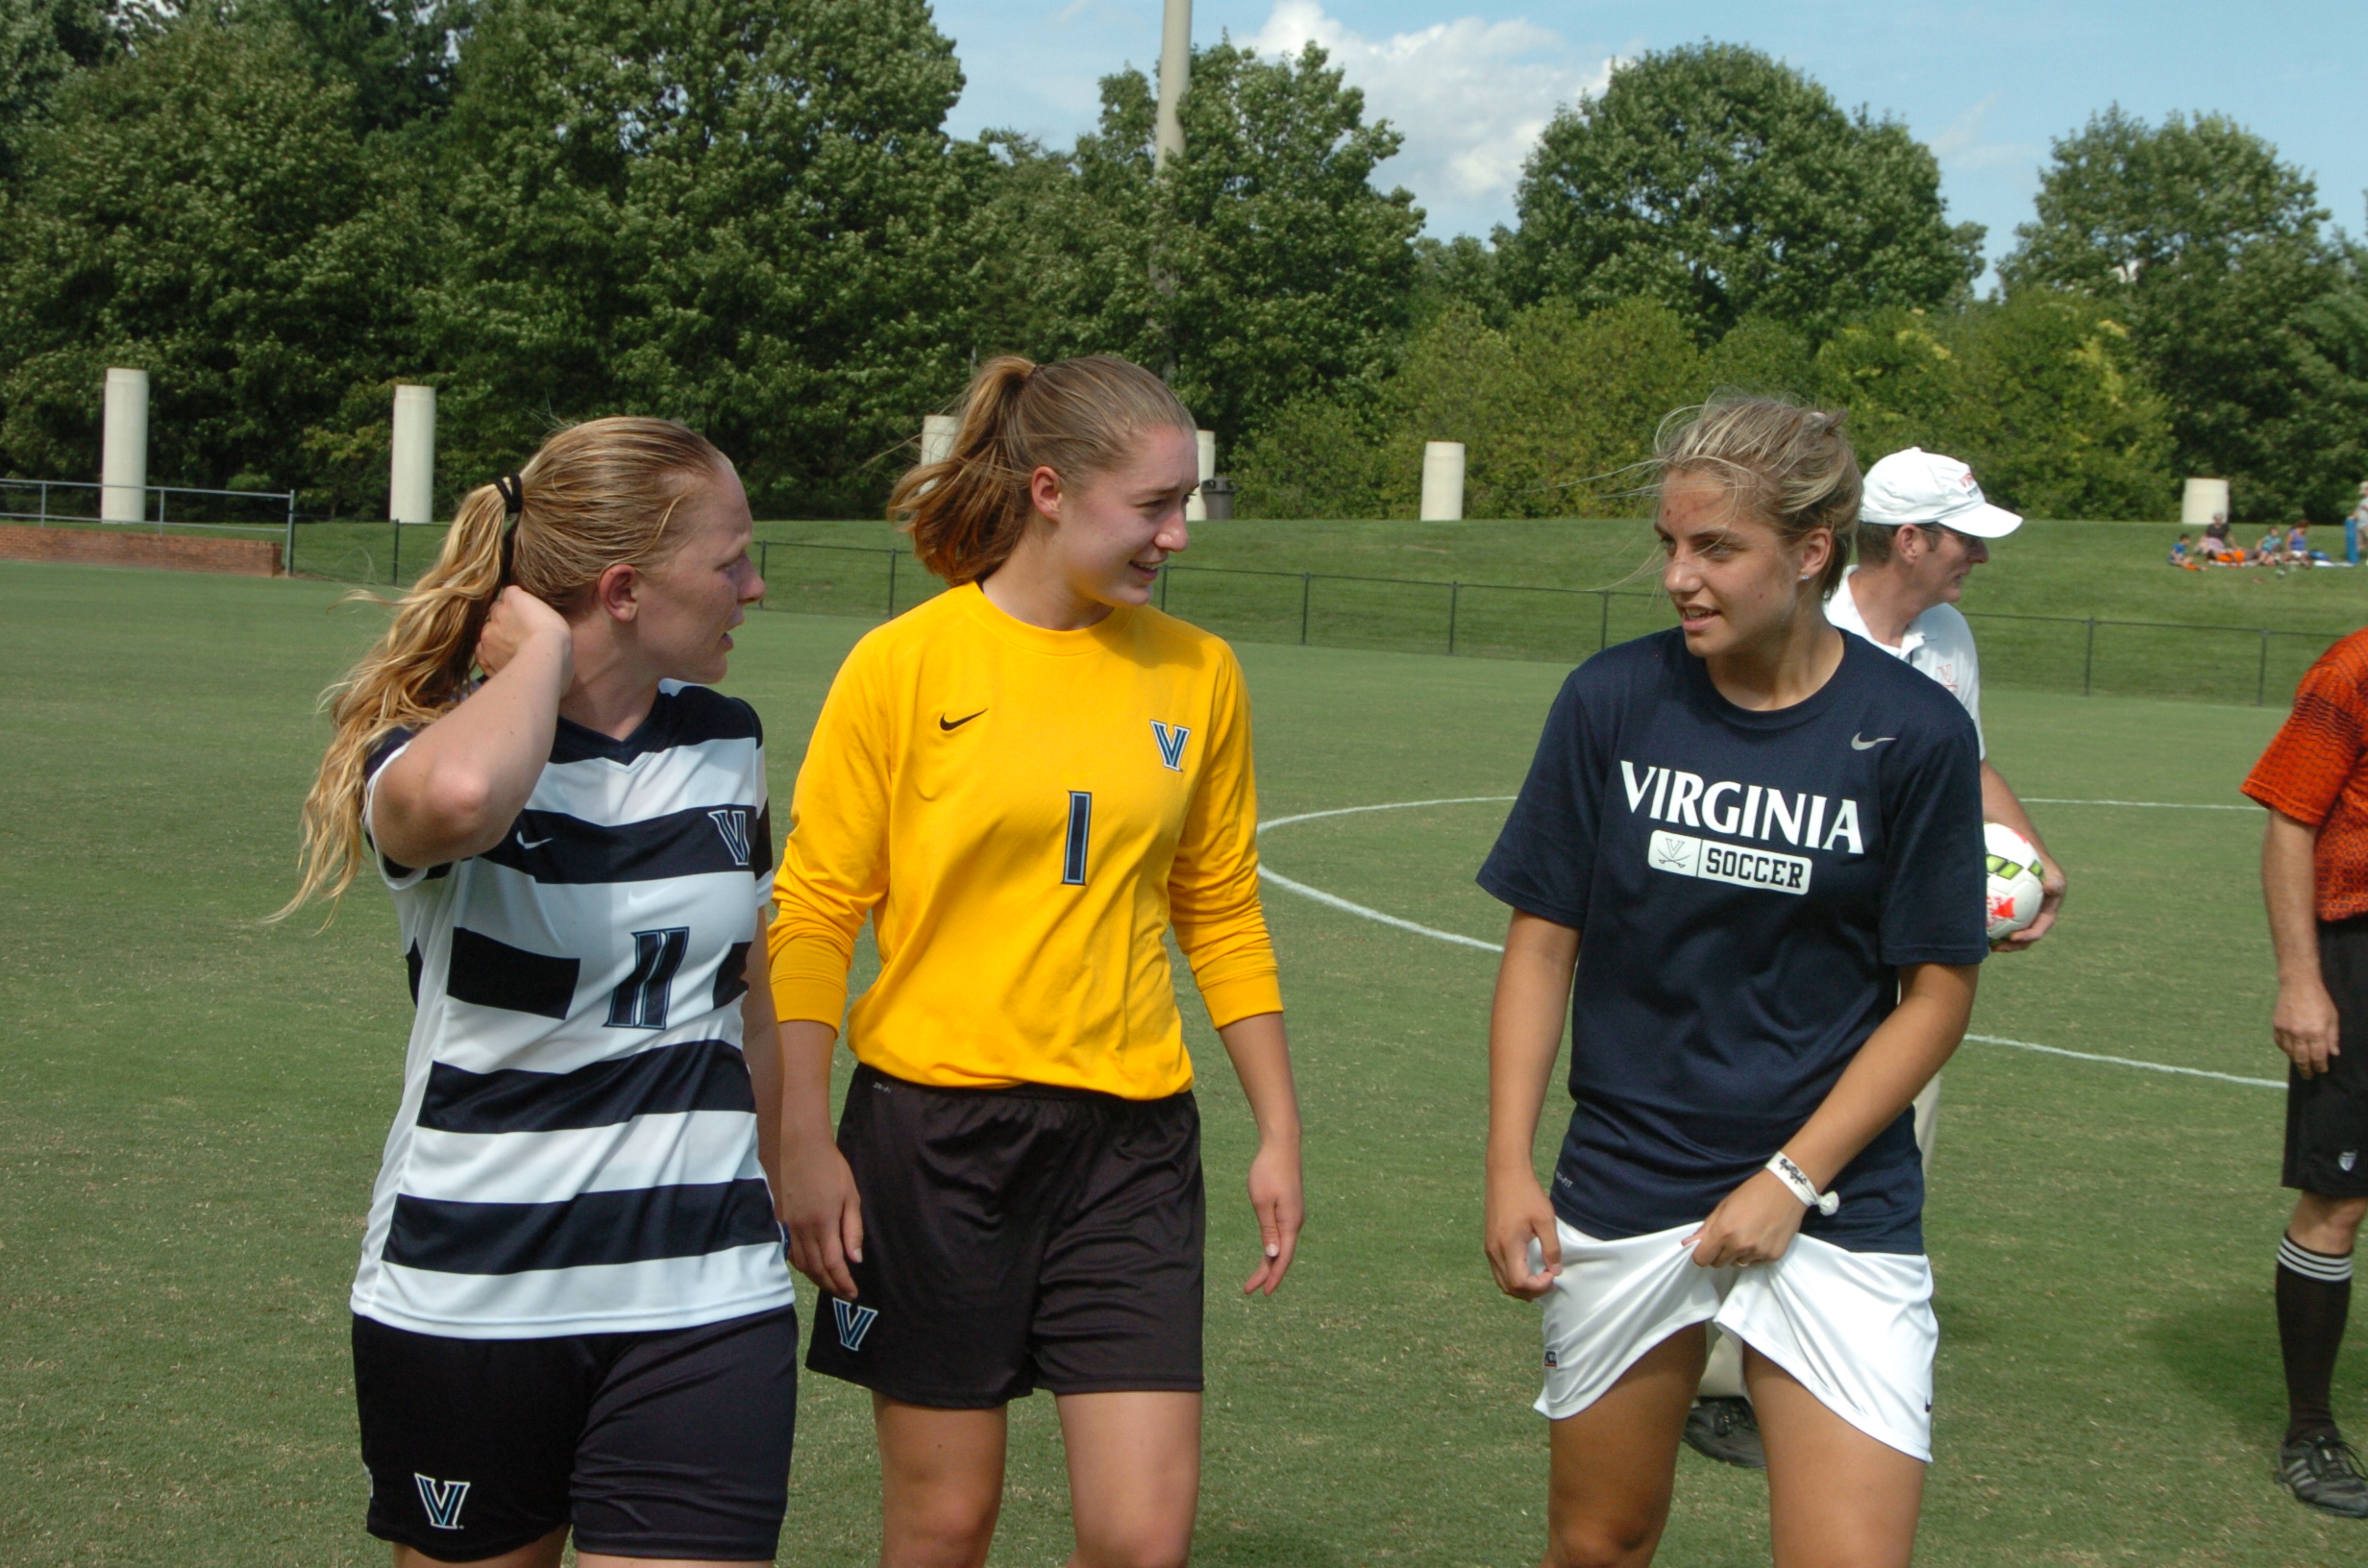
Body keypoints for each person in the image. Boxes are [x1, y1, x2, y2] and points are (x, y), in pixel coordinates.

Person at [768, 355, 1304, 1568]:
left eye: (1186, 504)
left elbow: (1219, 908)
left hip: (1132, 1148)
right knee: (945, 1527)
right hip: (932, 1141)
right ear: (1050, 491)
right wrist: (800, 1140)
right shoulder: (903, 664)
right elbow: (812, 914)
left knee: (1140, 1541)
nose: (1178, 536)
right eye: (1153, 506)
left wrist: (1277, 1129)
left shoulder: (1200, 672)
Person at [279, 418, 800, 1567]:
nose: (754, 587)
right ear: (622, 589)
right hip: (472, 1293)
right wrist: (540, 660)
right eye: (729, 563)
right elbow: (462, 800)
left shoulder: (725, 740)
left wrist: (782, 1174)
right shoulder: (427, 747)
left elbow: (746, 1000)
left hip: (705, 1293)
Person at [1481, 396, 1988, 1568]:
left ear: (1810, 552)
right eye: (1670, 543)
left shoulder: (1913, 732)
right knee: (1599, 1543)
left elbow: (1937, 997)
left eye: (1715, 548)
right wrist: (1508, 1164)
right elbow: (1542, 946)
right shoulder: (1611, 700)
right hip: (1627, 1180)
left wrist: (1790, 1179)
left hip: (1838, 1205)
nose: (1678, 577)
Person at [1682, 443, 2067, 1469]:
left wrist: (2030, 857)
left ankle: (1813, 1356)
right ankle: (1716, 1378)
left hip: (1908, 959)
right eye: (1964, 541)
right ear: (1910, 540)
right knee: (1761, 1146)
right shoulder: (1810, 629)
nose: (1978, 558)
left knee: (1883, 1148)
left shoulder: (1947, 637)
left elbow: (1964, 760)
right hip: (1796, 953)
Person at [2242, 629, 2368, 1518]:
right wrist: (2301, 980)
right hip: (2356, 952)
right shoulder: (2352, 668)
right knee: (2339, 1198)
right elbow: (2291, 819)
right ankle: (2311, 1432)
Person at [2349, 483, 2366, 568]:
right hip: (2360, 525)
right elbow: (2358, 511)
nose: (2363, 493)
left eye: (2364, 491)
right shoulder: (2363, 501)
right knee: (2360, 543)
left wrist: (2366, 508)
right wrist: (2352, 516)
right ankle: (2353, 558)